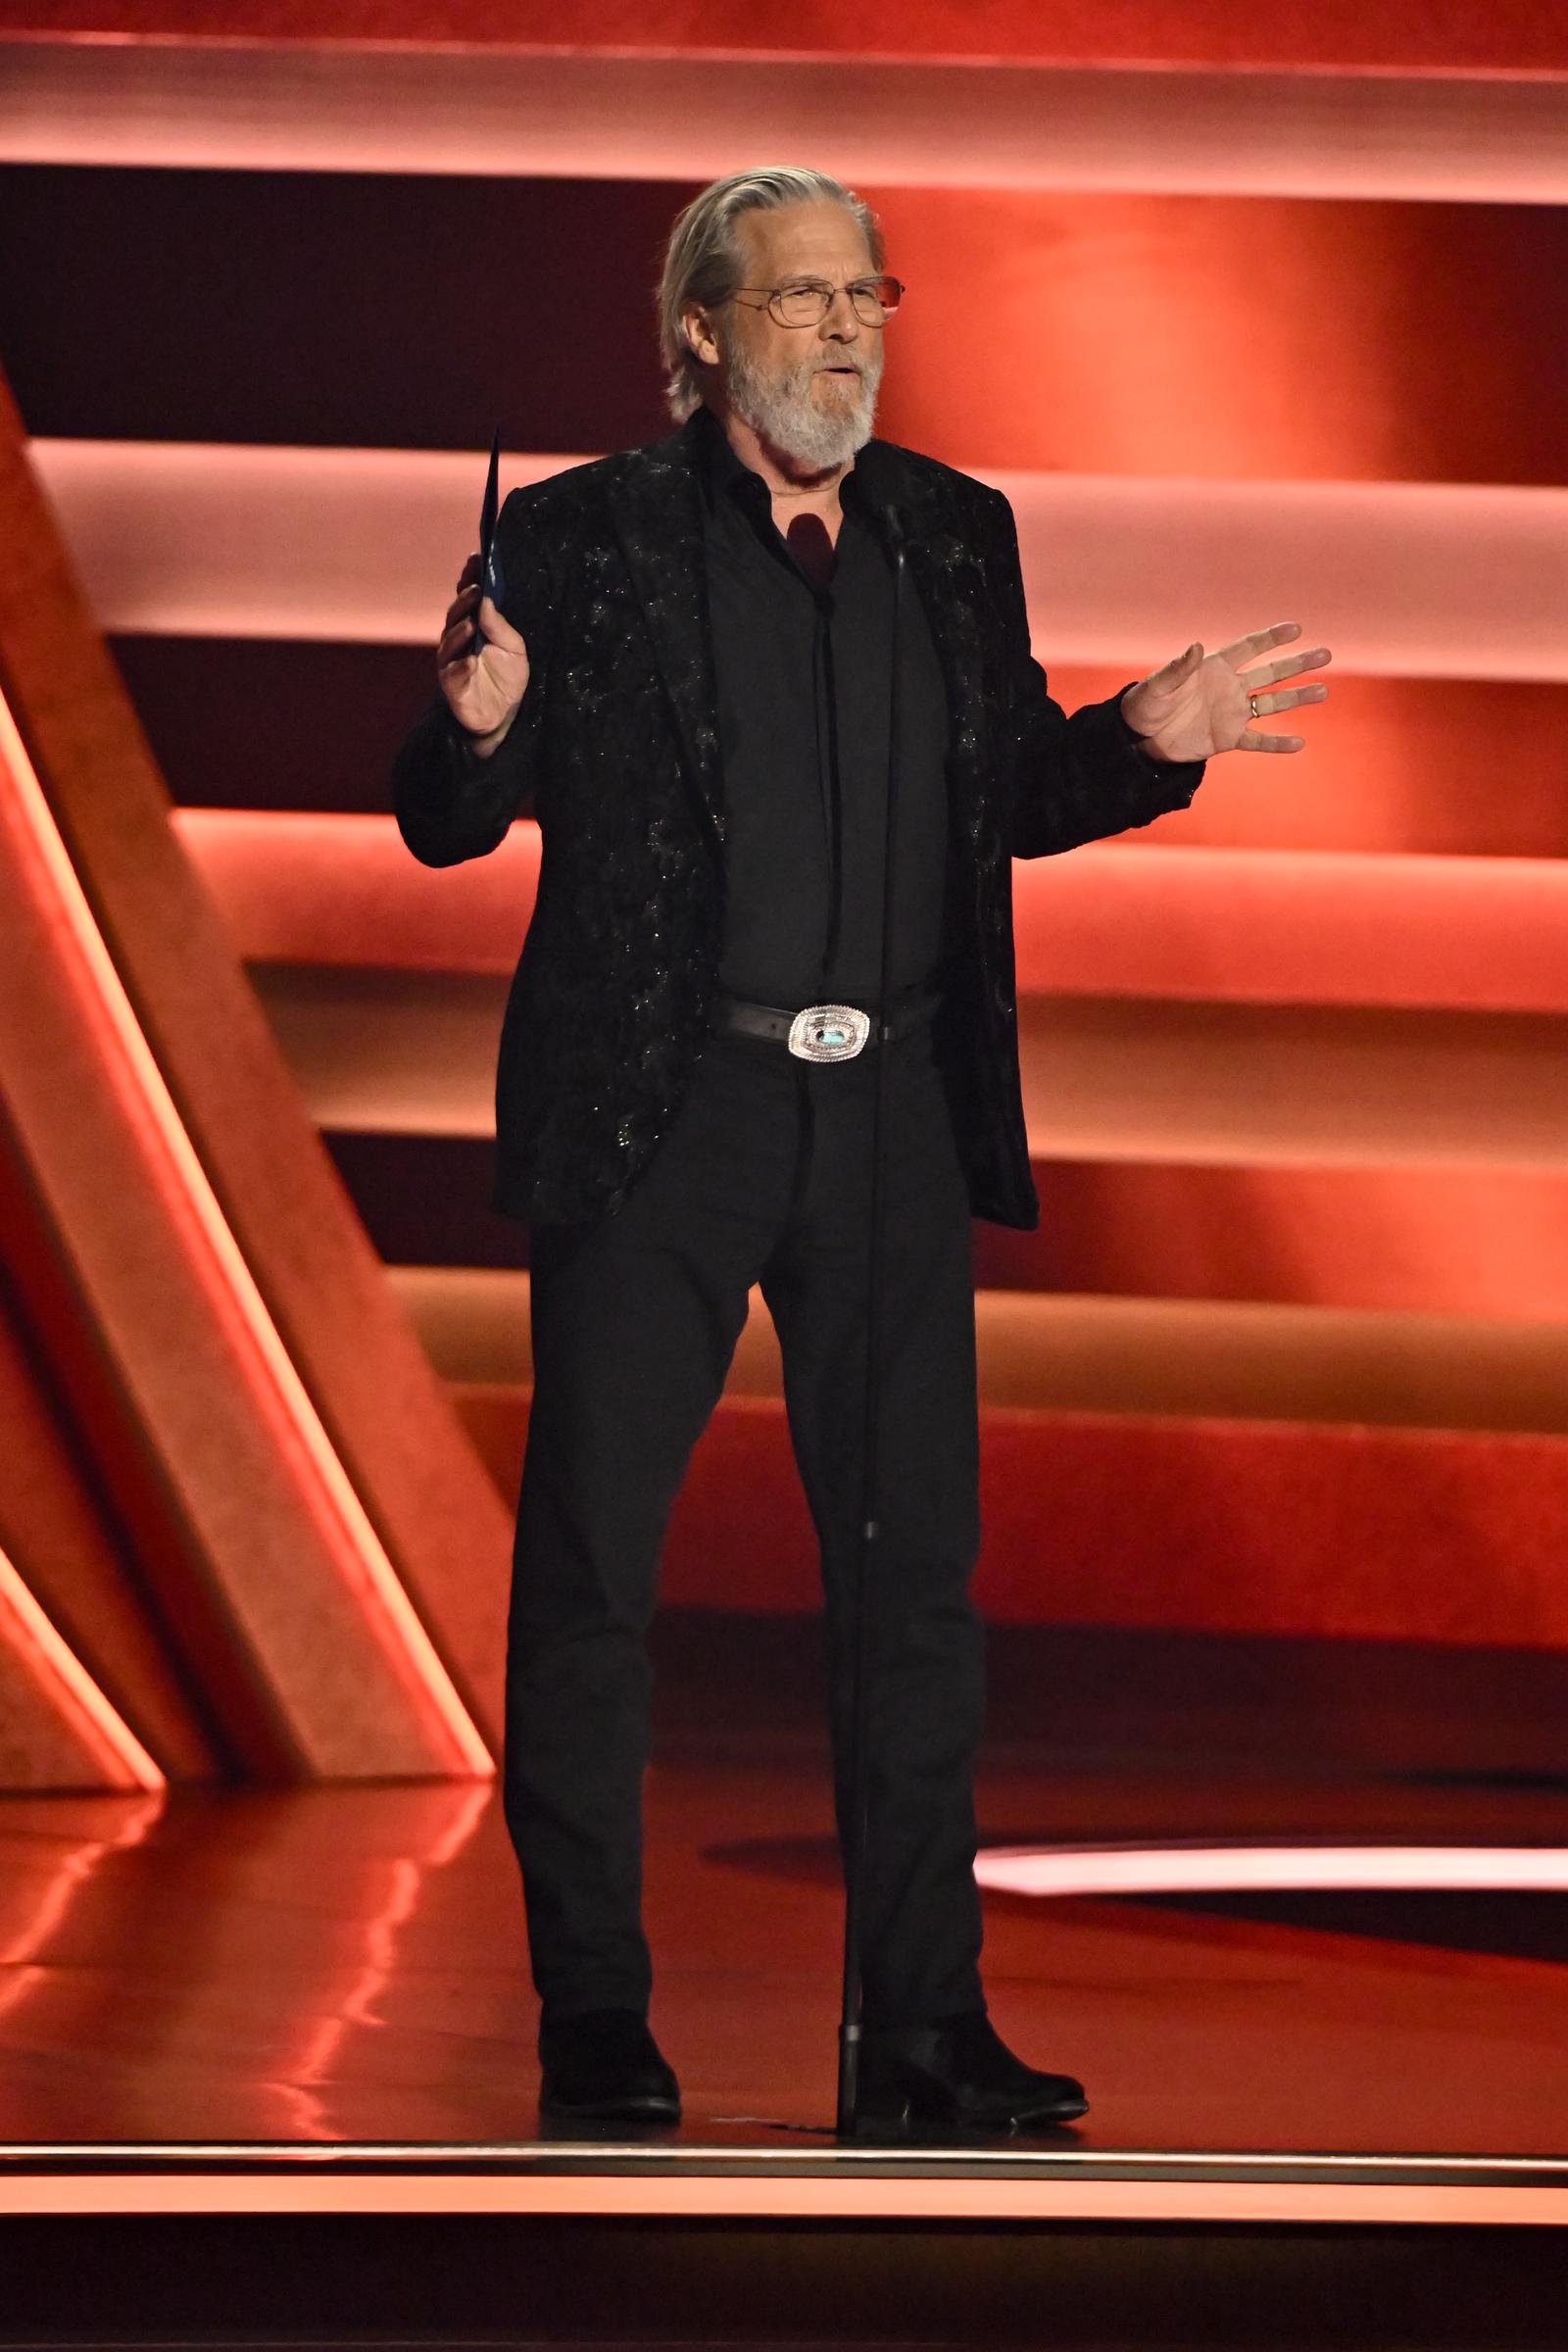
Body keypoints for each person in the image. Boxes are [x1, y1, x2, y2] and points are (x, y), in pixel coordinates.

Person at [391, 165, 1332, 2132]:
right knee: (589, 1578)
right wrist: (475, 727)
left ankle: (916, 2038)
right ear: (701, 335)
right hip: (666, 1114)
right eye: (799, 300)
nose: (843, 333)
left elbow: (1005, 793)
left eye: (866, 297)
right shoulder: (585, 541)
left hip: (888, 1116)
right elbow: (445, 818)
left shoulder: (951, 535)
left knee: (911, 1591)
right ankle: (594, 2026)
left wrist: (1141, 737)